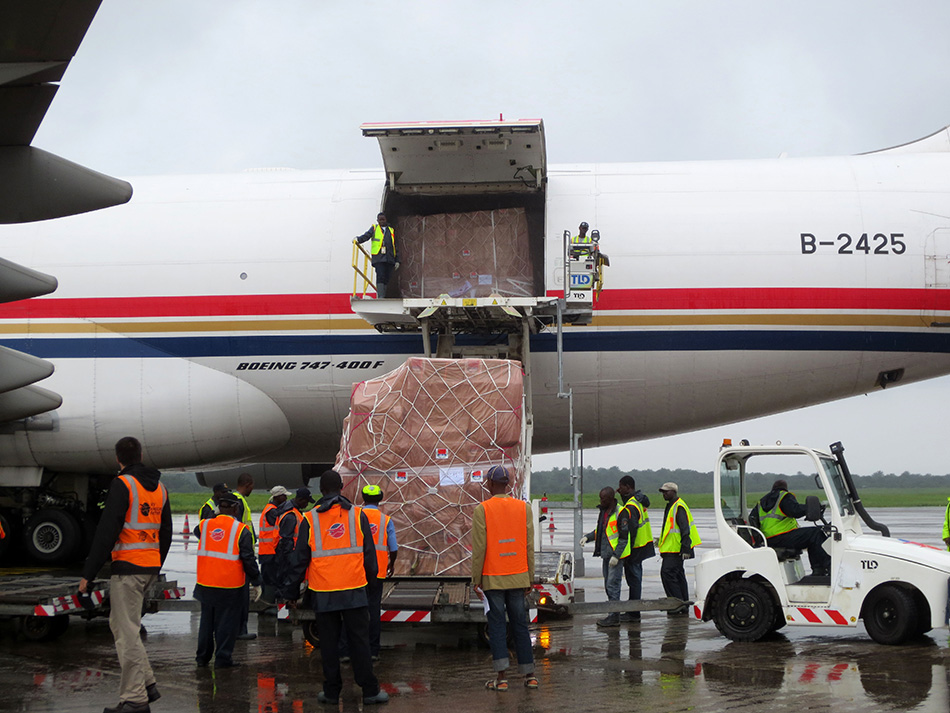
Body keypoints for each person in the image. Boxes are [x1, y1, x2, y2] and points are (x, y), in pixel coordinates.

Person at [79, 436, 172, 713]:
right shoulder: (160, 489)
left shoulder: (123, 484)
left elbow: (106, 532)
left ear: (118, 459)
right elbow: (165, 534)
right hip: (148, 568)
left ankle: (134, 699)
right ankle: (147, 684)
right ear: (140, 455)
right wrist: (155, 564)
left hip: (128, 569)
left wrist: (88, 574)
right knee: (122, 627)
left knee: (126, 634)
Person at [283, 470, 389, 705]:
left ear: (321, 490)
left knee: (329, 645)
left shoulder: (310, 519)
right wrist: (371, 584)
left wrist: (290, 593)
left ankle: (332, 692)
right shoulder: (358, 515)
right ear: (342, 488)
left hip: (324, 592)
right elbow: (370, 557)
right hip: (354, 590)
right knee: (359, 641)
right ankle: (370, 691)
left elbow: (299, 559)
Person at [472, 465, 538, 691]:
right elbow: (529, 545)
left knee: (498, 626)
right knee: (521, 625)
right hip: (519, 576)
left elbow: (480, 547)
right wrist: (530, 576)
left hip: (493, 577)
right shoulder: (523, 508)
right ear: (508, 484)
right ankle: (530, 676)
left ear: (490, 484)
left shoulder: (483, 509)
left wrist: (476, 579)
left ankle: (501, 679)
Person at [194, 492, 261, 668]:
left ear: (218, 508)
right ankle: (222, 659)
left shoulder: (205, 525)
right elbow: (248, 559)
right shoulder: (241, 531)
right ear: (235, 508)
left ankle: (202, 658)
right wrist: (256, 580)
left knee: (206, 623)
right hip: (229, 585)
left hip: (205, 583)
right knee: (226, 624)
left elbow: (197, 532)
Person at [341, 484, 398, 661]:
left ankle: (345, 651)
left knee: (351, 611)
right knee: (373, 611)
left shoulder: (354, 516)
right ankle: (372, 651)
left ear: (363, 498)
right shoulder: (385, 520)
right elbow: (393, 547)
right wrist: (391, 564)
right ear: (380, 499)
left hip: (356, 571)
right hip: (377, 572)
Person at [756, 479, 831, 576]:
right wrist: (810, 508)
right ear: (785, 489)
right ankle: (824, 568)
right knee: (817, 533)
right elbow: (795, 510)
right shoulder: (783, 497)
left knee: (812, 534)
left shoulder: (761, 502)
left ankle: (819, 570)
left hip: (769, 539)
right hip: (783, 536)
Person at [579, 487, 623, 627]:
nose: (600, 501)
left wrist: (617, 555)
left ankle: (614, 615)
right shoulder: (604, 512)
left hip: (615, 555)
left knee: (613, 584)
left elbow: (624, 537)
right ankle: (612, 612)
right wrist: (588, 537)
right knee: (607, 585)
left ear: (611, 498)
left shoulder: (620, 512)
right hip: (606, 554)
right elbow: (601, 531)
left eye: (603, 498)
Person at [615, 476, 655, 621]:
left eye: (621, 486)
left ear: (628, 486)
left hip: (635, 547)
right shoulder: (637, 500)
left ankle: (633, 612)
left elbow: (631, 531)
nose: (619, 488)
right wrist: (621, 494)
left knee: (634, 580)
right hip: (642, 545)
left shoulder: (631, 505)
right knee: (635, 579)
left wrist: (626, 552)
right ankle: (634, 610)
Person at [657, 482, 700, 614]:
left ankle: (676, 605)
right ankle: (683, 604)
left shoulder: (678, 506)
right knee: (678, 576)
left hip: (675, 550)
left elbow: (684, 528)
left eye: (666, 491)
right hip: (672, 548)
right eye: (663, 492)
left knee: (667, 574)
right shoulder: (672, 506)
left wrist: (686, 548)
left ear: (674, 492)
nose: (664, 494)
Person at [232, 473, 257, 640]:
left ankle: (240, 629)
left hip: (240, 552)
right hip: (241, 554)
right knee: (241, 597)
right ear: (247, 484)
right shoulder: (238, 501)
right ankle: (240, 630)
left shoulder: (238, 500)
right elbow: (239, 529)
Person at [275, 487, 314, 585]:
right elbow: (286, 540)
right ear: (300, 500)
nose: (307, 505)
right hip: (289, 556)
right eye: (306, 502)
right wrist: (292, 559)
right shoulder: (291, 515)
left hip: (289, 554)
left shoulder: (293, 512)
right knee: (285, 584)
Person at [355, 212, 399, 299]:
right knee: (380, 276)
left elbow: (395, 246)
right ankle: (381, 296)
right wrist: (358, 239)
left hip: (389, 258)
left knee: (387, 277)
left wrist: (397, 260)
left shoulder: (391, 230)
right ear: (377, 220)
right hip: (379, 258)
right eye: (380, 220)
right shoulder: (374, 228)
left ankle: (383, 294)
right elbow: (366, 236)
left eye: (383, 219)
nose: (382, 221)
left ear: (386, 220)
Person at [259, 485, 291, 601]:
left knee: (270, 578)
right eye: (284, 497)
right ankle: (270, 603)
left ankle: (270, 602)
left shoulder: (271, 509)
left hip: (268, 551)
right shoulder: (272, 511)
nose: (286, 499)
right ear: (278, 497)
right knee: (271, 580)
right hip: (270, 552)